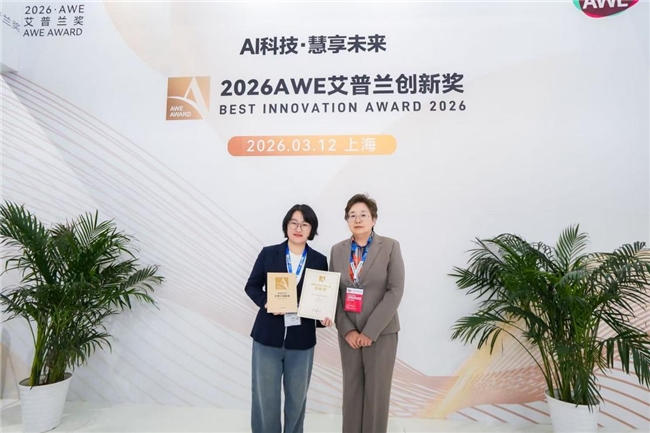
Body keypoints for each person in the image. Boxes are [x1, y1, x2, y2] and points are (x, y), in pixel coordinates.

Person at [244, 204, 332, 433]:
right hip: (267, 338)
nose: (298, 228)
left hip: (302, 340)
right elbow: (251, 286)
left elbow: (321, 298)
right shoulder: (268, 253)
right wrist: (267, 302)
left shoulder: (319, 260)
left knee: (297, 398)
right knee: (265, 397)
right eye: (294, 222)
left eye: (304, 224)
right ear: (286, 225)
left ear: (311, 229)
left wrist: (323, 317)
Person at [330, 194, 405, 433]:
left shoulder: (390, 246)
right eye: (352, 215)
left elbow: (395, 290)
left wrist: (370, 332)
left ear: (373, 219)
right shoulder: (337, 250)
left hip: (381, 333)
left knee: (376, 395)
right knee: (351, 393)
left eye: (363, 214)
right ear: (347, 220)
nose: (358, 219)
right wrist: (348, 330)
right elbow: (333, 293)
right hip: (349, 334)